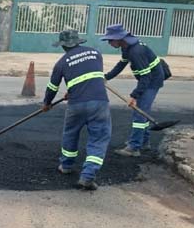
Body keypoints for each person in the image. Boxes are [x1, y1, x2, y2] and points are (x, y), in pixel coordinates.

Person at [43, 29, 112, 191]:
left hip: (76, 105)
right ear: (79, 42)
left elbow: (52, 87)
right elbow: (91, 76)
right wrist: (73, 89)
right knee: (99, 138)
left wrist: (47, 103)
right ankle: (88, 176)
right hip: (99, 103)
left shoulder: (61, 63)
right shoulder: (95, 53)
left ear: (63, 46)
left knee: (70, 133)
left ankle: (66, 165)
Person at [101, 24, 167, 157]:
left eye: (110, 40)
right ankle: (143, 142)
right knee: (143, 111)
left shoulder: (136, 52)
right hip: (148, 79)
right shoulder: (127, 47)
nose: (108, 43)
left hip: (152, 81)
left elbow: (146, 77)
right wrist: (106, 77)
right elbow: (120, 65)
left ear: (119, 38)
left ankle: (134, 147)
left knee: (139, 113)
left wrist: (134, 96)